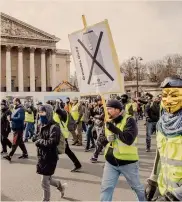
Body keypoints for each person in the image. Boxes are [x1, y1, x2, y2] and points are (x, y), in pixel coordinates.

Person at [145, 77, 182, 201]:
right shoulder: (162, 124)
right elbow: (160, 156)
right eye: (164, 95)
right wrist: (153, 180)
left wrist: (175, 196)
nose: (168, 100)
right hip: (164, 190)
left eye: (174, 95)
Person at [100, 99, 145, 201]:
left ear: (117, 109)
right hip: (111, 162)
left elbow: (128, 139)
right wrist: (106, 139)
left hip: (128, 162)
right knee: (106, 188)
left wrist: (114, 130)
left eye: (109, 109)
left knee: (137, 189)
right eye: (106, 109)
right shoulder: (108, 120)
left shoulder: (129, 120)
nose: (107, 111)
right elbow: (100, 141)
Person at [33, 104, 67, 201]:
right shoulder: (41, 125)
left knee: (44, 181)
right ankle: (60, 186)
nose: (40, 115)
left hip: (50, 157)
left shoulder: (54, 127)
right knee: (47, 179)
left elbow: (53, 142)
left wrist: (39, 141)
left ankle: (46, 200)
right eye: (39, 112)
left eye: (42, 112)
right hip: (41, 156)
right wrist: (35, 138)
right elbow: (38, 136)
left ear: (48, 113)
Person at [54, 100, 82, 172]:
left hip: (62, 135)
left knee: (54, 151)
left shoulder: (63, 113)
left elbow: (57, 110)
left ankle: (49, 170)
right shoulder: (63, 113)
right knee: (67, 151)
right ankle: (77, 165)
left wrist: (57, 101)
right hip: (60, 134)